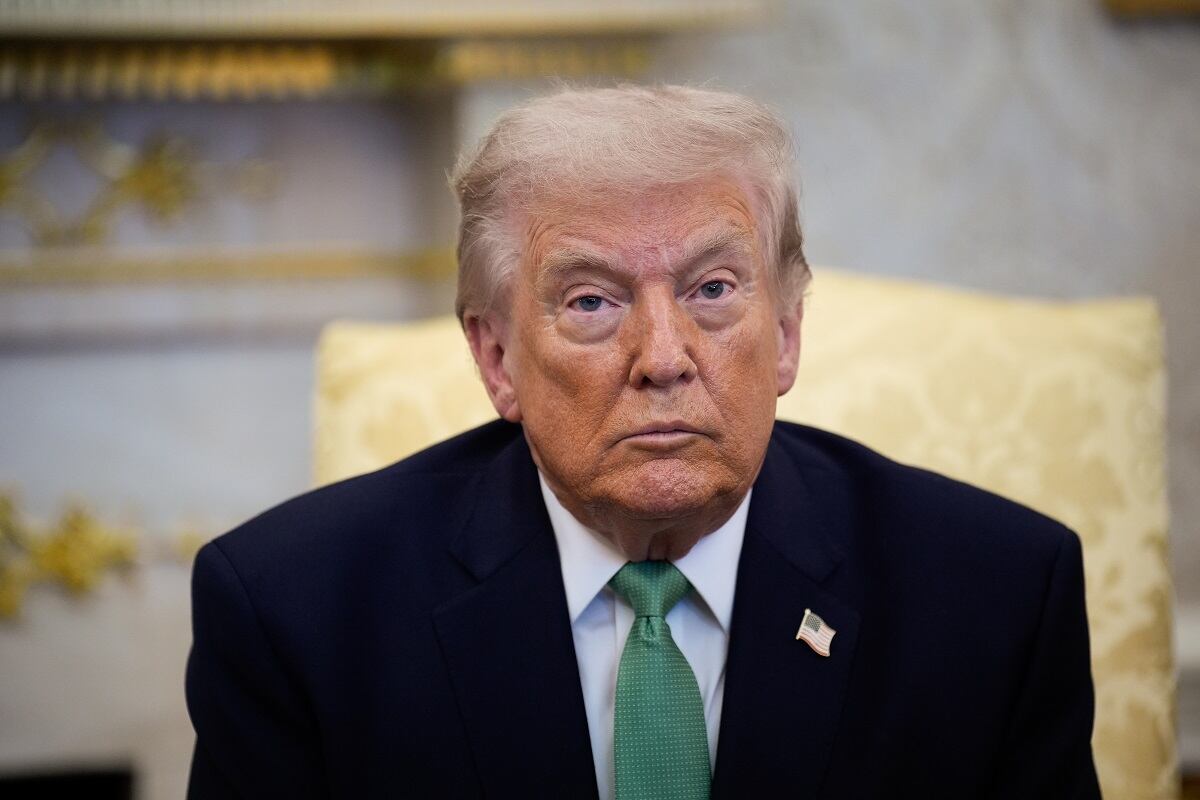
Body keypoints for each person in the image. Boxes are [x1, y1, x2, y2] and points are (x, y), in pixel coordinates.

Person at [185, 85, 1101, 799]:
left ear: (785, 334)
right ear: (496, 356)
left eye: (712, 289)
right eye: (592, 300)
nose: (664, 359)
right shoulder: (295, 616)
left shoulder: (993, 598)